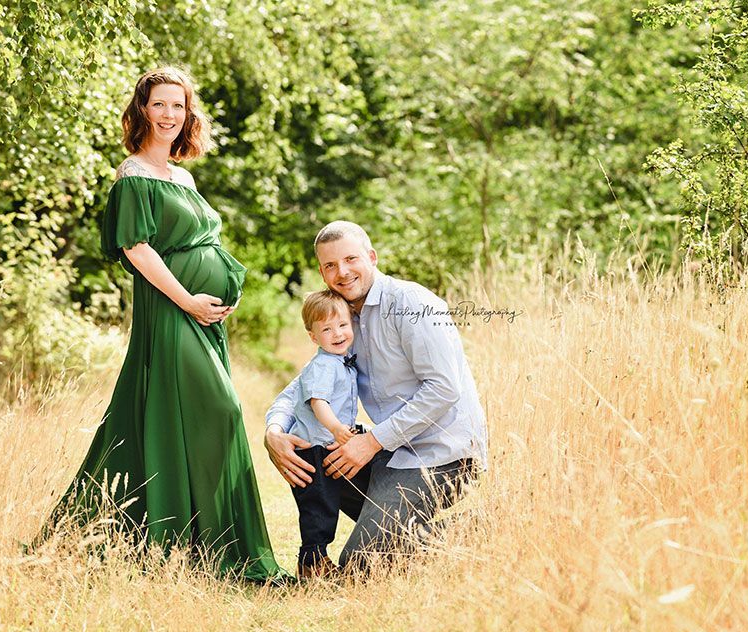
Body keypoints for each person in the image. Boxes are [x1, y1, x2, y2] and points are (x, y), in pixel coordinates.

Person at [40, 66, 287, 583]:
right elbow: (137, 248)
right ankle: (193, 545)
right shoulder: (133, 175)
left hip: (201, 314)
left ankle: (199, 550)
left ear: (187, 112)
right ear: (142, 110)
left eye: (178, 105)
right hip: (171, 310)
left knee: (191, 415)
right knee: (218, 409)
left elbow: (201, 244)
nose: (170, 114)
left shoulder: (184, 177)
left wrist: (219, 292)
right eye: (159, 105)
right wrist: (189, 300)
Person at [264, 221, 488, 572]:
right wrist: (274, 430)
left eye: (351, 259)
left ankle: (476, 530)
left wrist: (371, 442)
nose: (342, 272)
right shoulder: (340, 320)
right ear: (322, 273)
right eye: (330, 266)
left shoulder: (412, 303)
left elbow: (444, 388)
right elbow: (302, 386)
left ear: (372, 257)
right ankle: (404, 531)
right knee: (318, 455)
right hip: (392, 451)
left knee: (360, 566)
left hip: (442, 454)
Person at [285, 289, 362, 579]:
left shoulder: (341, 360)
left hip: (327, 444)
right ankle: (311, 563)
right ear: (313, 337)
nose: (338, 333)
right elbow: (319, 402)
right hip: (312, 448)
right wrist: (336, 428)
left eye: (342, 325)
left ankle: (317, 559)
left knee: (329, 503)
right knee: (318, 509)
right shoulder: (322, 365)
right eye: (327, 329)